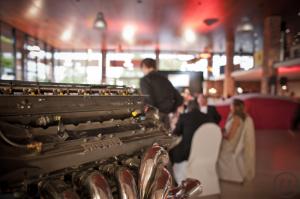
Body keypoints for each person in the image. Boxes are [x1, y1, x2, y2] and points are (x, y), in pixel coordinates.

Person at [218, 99, 255, 181]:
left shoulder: (236, 119)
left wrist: (220, 134)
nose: (230, 107)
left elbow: (230, 136)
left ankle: (219, 173)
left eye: (231, 105)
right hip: (230, 142)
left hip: (229, 145)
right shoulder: (238, 117)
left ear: (235, 107)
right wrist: (223, 130)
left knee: (214, 148)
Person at [139, 58, 183, 127]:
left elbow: (149, 101)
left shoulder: (145, 80)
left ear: (144, 66)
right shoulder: (164, 79)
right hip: (166, 116)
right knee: (165, 137)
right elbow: (179, 98)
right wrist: (171, 110)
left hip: (153, 118)